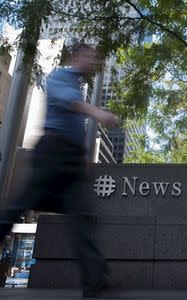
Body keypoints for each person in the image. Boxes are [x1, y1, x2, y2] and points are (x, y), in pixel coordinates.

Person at [0, 43, 118, 297]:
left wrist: (84, 158)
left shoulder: (77, 84)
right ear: (76, 56)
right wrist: (97, 112)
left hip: (71, 162)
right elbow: (69, 103)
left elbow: (75, 123)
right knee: (16, 207)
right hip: (52, 154)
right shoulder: (60, 76)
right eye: (90, 57)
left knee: (82, 216)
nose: (93, 63)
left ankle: (94, 279)